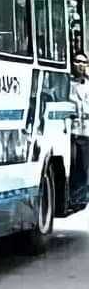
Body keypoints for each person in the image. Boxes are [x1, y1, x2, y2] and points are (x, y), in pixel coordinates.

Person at [69, 52, 89, 204]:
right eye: (78, 62)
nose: (81, 65)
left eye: (84, 62)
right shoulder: (65, 83)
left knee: (83, 166)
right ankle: (73, 197)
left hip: (86, 131)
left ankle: (80, 198)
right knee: (72, 165)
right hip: (70, 130)